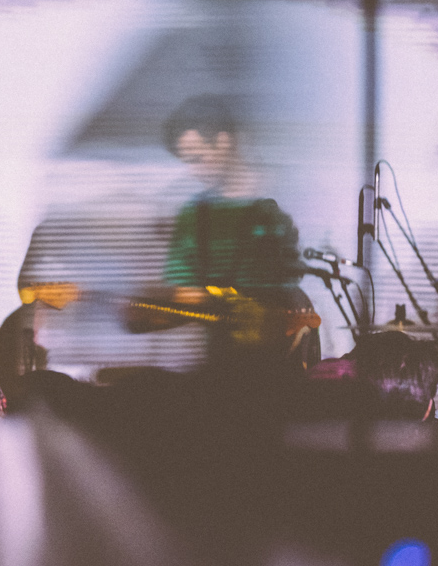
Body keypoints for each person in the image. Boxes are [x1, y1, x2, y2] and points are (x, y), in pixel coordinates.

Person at [128, 94, 319, 372]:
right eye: (187, 162)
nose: (193, 171)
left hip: (289, 361)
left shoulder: (290, 192)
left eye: (198, 158)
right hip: (224, 366)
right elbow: (185, 293)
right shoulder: (193, 217)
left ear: (225, 142)